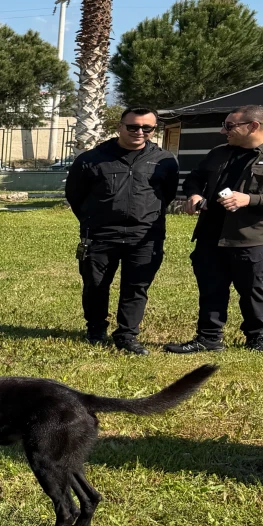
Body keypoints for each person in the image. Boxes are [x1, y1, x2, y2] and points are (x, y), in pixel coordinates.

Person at [166, 105, 263, 355]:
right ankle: (208, 338)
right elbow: (195, 177)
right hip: (211, 234)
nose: (223, 131)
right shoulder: (219, 153)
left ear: (253, 126)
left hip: (251, 236)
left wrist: (249, 200)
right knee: (211, 288)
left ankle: (257, 337)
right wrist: (194, 194)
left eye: (229, 126)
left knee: (253, 290)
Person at [64, 107, 179, 355]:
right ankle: (95, 329)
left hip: (145, 236)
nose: (139, 132)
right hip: (101, 235)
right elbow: (75, 196)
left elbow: (166, 195)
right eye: (133, 127)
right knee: (95, 284)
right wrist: (93, 221)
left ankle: (127, 335)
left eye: (146, 128)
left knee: (136, 286)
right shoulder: (91, 159)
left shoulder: (165, 160)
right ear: (120, 127)